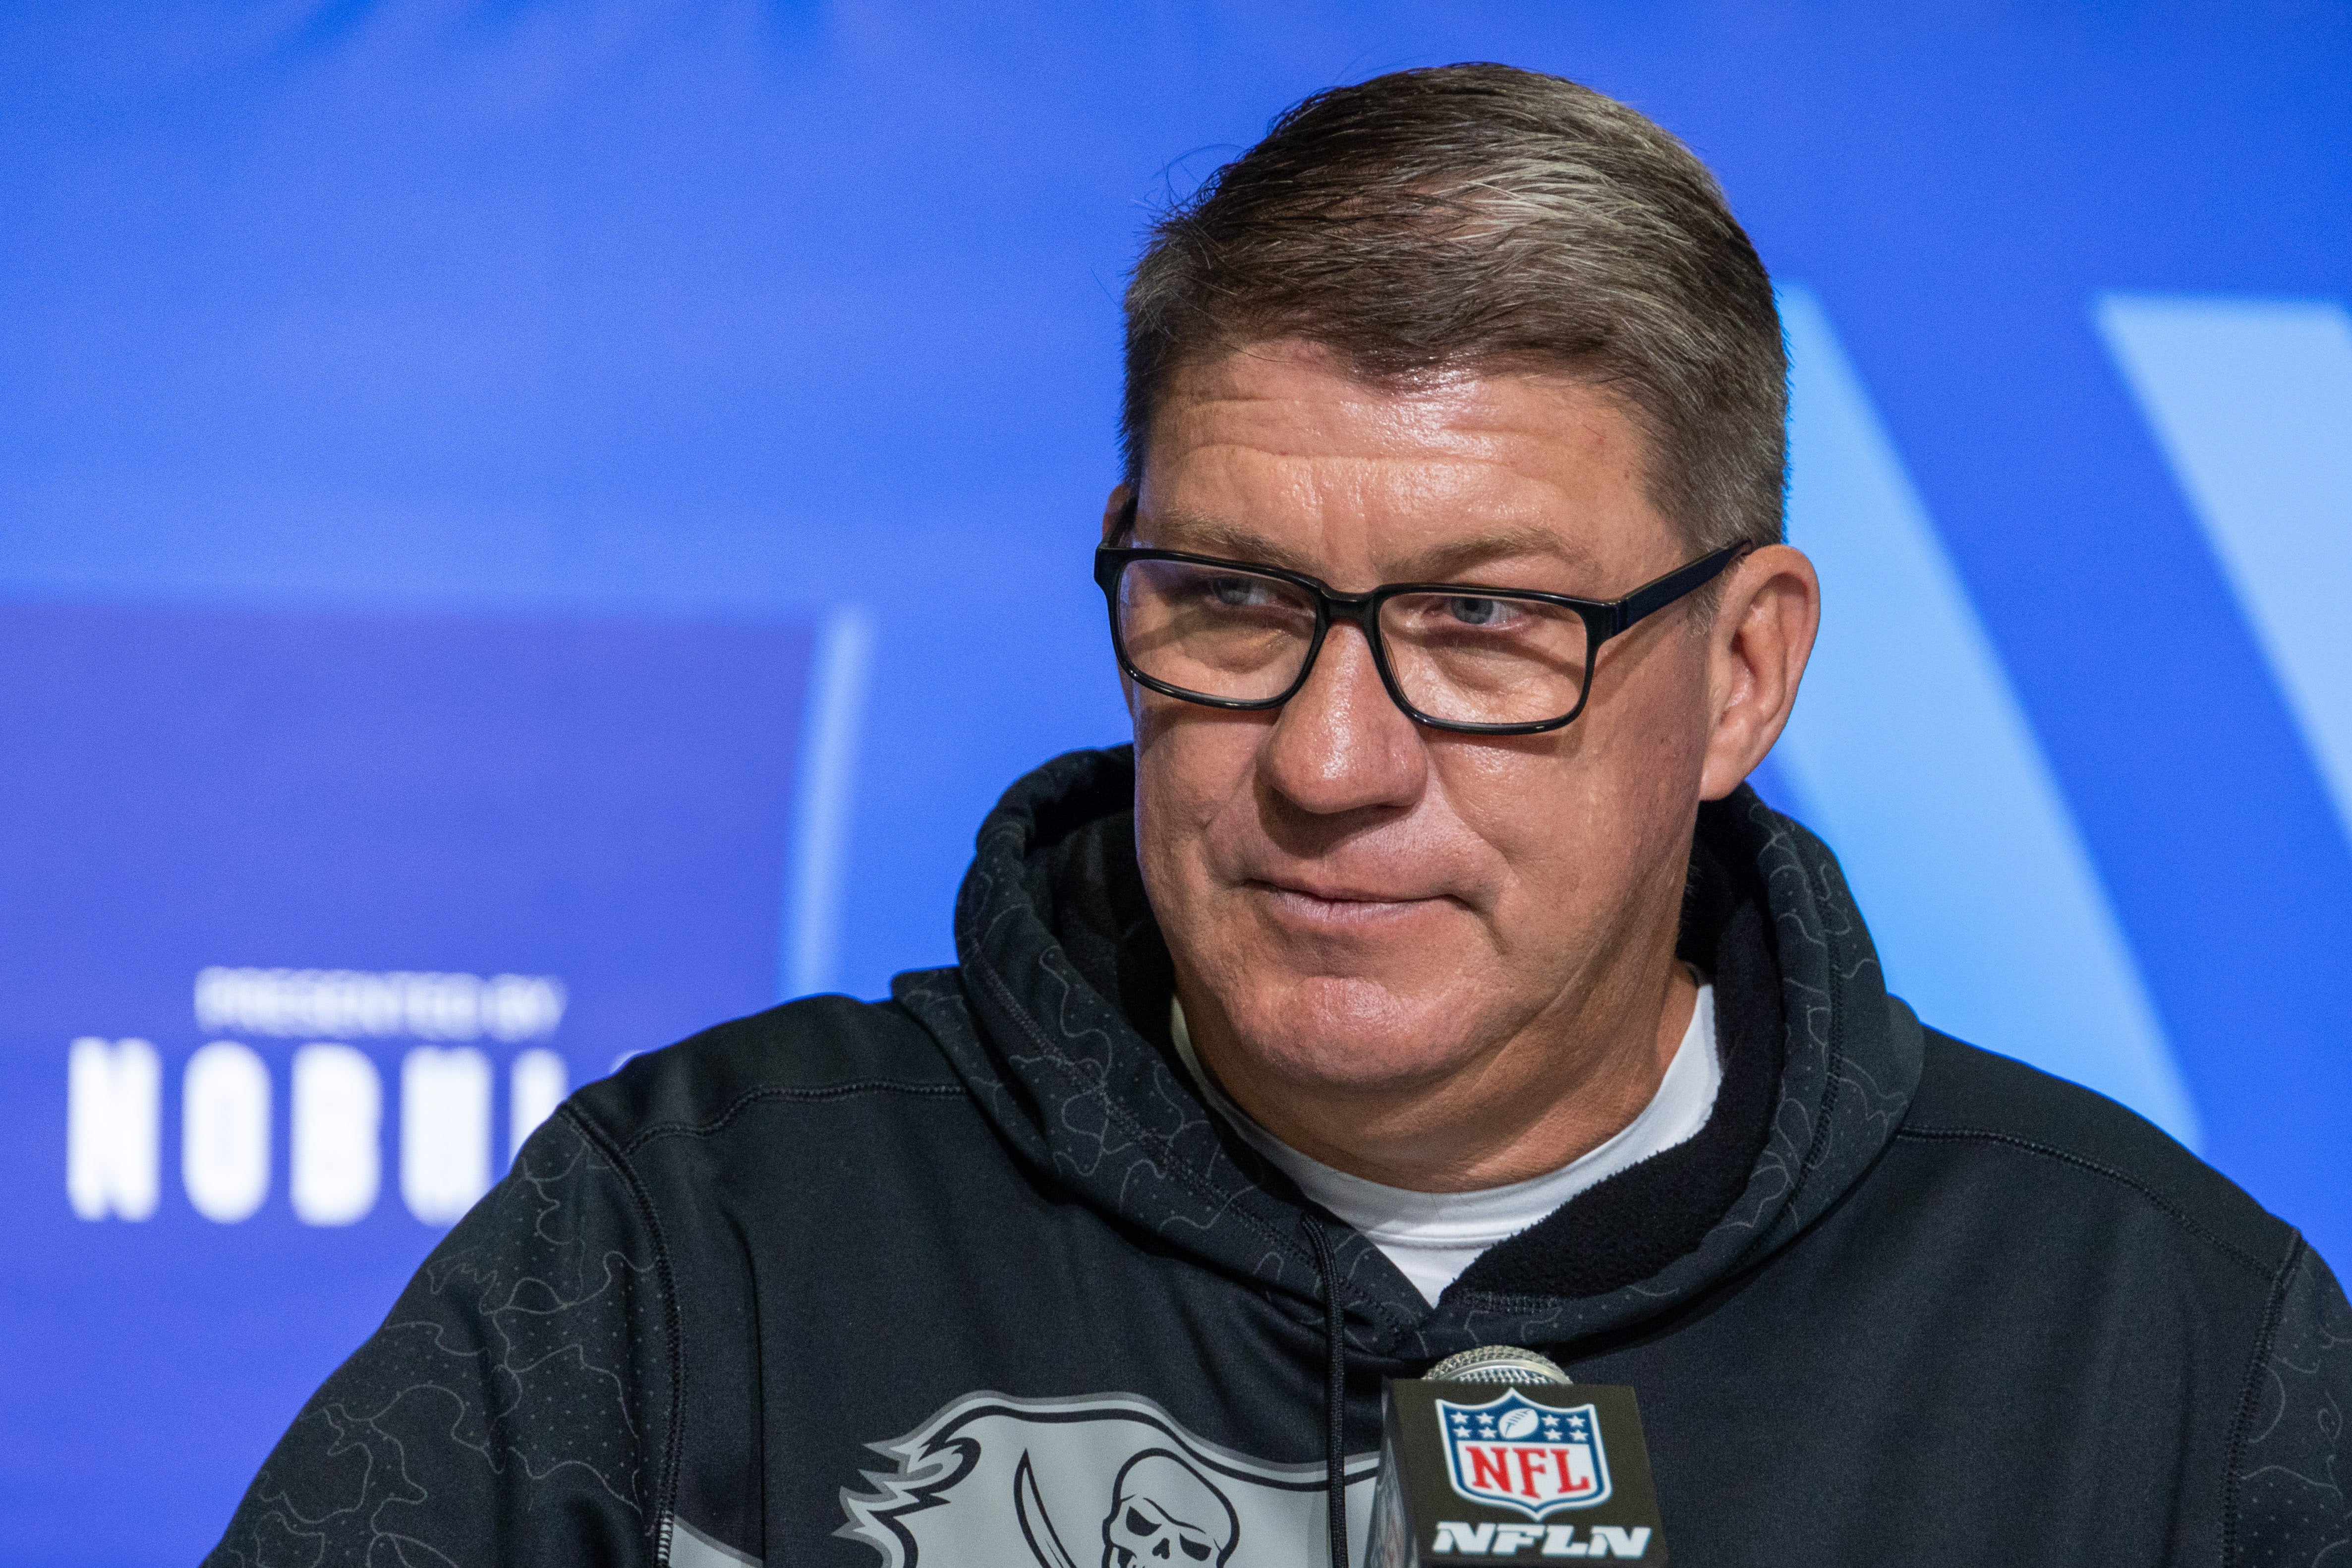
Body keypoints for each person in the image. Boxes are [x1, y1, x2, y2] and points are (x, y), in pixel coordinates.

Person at [206, 63, 2350, 1568]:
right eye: (1230, 600)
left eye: (1487, 623)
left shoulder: (2156, 1344)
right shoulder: (691, 1240)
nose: (1328, 761)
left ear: (1744, 672)